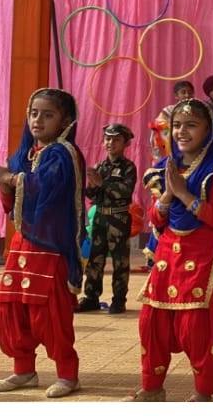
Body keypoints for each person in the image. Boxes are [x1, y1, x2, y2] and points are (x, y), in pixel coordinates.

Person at [131, 98, 213, 401]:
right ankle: (152, 388)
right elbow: (156, 220)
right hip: (167, 256)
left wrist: (183, 193)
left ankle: (203, 394)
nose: (181, 132)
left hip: (202, 257)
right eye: (177, 125)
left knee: (195, 328)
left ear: (208, 130)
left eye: (191, 125)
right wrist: (168, 195)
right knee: (151, 321)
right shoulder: (166, 167)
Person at [0, 88, 83, 398]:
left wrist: (10, 179)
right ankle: (24, 369)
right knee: (12, 307)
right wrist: (7, 185)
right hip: (22, 244)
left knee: (50, 313)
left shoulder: (63, 154)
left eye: (48, 115)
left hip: (50, 245)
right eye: (34, 113)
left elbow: (47, 190)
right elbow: (12, 207)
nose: (38, 120)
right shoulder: (27, 154)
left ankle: (67, 374)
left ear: (65, 121)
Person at [78, 123, 137, 315]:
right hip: (100, 217)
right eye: (107, 139)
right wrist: (91, 183)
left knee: (120, 261)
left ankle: (119, 300)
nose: (111, 143)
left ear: (126, 143)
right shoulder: (100, 166)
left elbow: (125, 191)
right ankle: (91, 297)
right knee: (95, 259)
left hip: (118, 218)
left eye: (116, 139)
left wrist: (102, 183)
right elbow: (92, 196)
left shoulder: (129, 167)